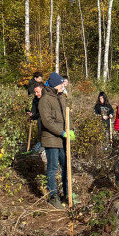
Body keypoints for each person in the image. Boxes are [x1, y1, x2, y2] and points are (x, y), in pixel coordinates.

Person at [38, 73, 71, 209]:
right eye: (60, 84)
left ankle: (68, 193)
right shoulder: (45, 100)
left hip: (63, 139)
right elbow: (47, 121)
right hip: (51, 139)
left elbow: (67, 115)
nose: (62, 86)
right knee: (52, 168)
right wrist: (61, 132)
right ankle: (54, 196)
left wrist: (71, 129)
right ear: (55, 85)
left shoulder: (61, 97)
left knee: (66, 165)